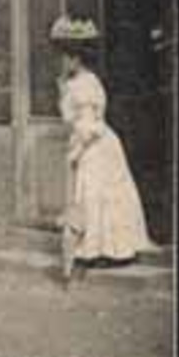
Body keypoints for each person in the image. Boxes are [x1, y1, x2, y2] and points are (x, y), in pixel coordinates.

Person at [51, 15, 155, 285]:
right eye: (62, 57)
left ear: (77, 58)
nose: (62, 62)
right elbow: (70, 118)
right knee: (89, 195)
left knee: (98, 193)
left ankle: (111, 249)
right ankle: (94, 249)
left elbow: (89, 125)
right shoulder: (71, 83)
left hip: (96, 146)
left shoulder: (86, 83)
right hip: (88, 143)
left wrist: (76, 151)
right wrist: (62, 88)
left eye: (66, 57)